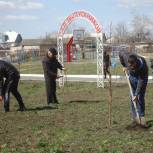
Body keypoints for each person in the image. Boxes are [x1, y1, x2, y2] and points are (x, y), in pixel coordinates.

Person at [119, 52, 149, 128]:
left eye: (133, 66)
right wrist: (123, 66)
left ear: (136, 63)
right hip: (132, 77)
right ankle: (134, 118)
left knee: (139, 97)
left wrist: (136, 94)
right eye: (130, 66)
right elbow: (121, 53)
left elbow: (140, 81)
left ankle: (141, 117)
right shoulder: (126, 57)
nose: (132, 67)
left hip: (141, 78)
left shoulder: (143, 67)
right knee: (132, 98)